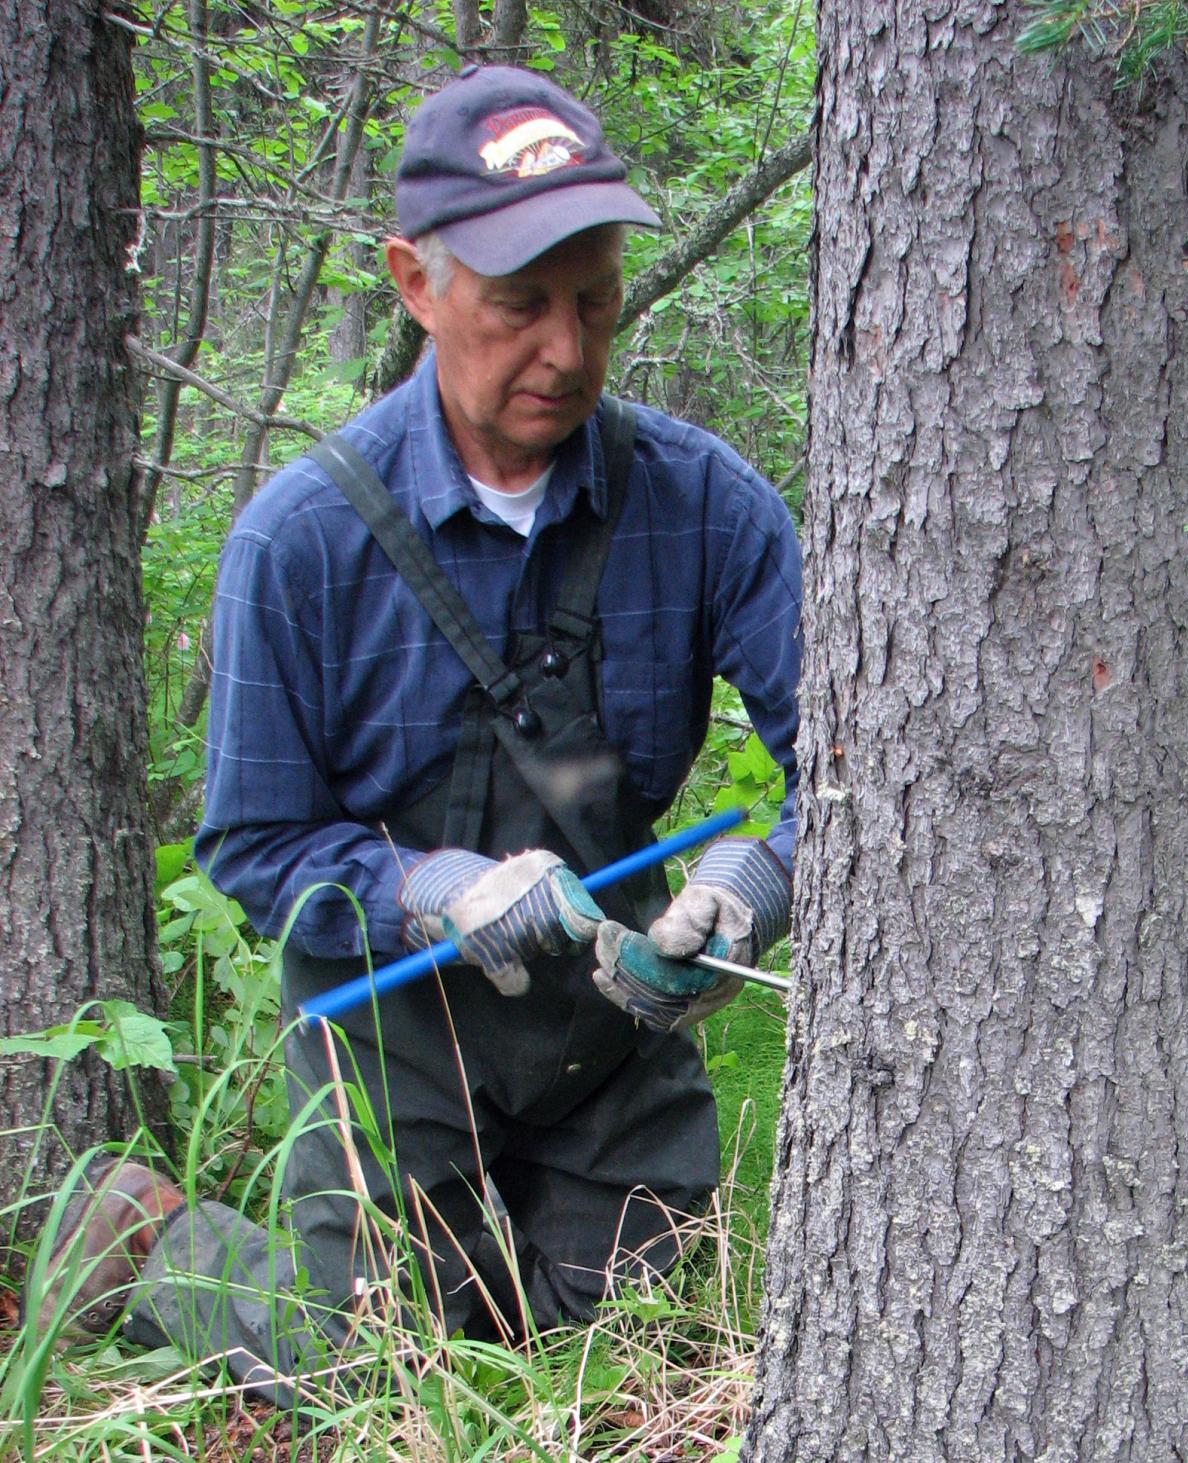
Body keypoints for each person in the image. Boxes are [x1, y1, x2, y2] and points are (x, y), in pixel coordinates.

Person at [35, 64, 800, 1403]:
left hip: (613, 1019)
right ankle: (151, 1236)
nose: (567, 349)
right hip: (393, 1028)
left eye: (595, 297)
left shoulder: (708, 509)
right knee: (387, 1374)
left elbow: (857, 783)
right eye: (520, 306)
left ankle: (506, 1258)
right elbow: (255, 847)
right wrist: (432, 892)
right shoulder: (303, 541)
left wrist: (756, 884)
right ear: (412, 281)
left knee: (624, 1371)